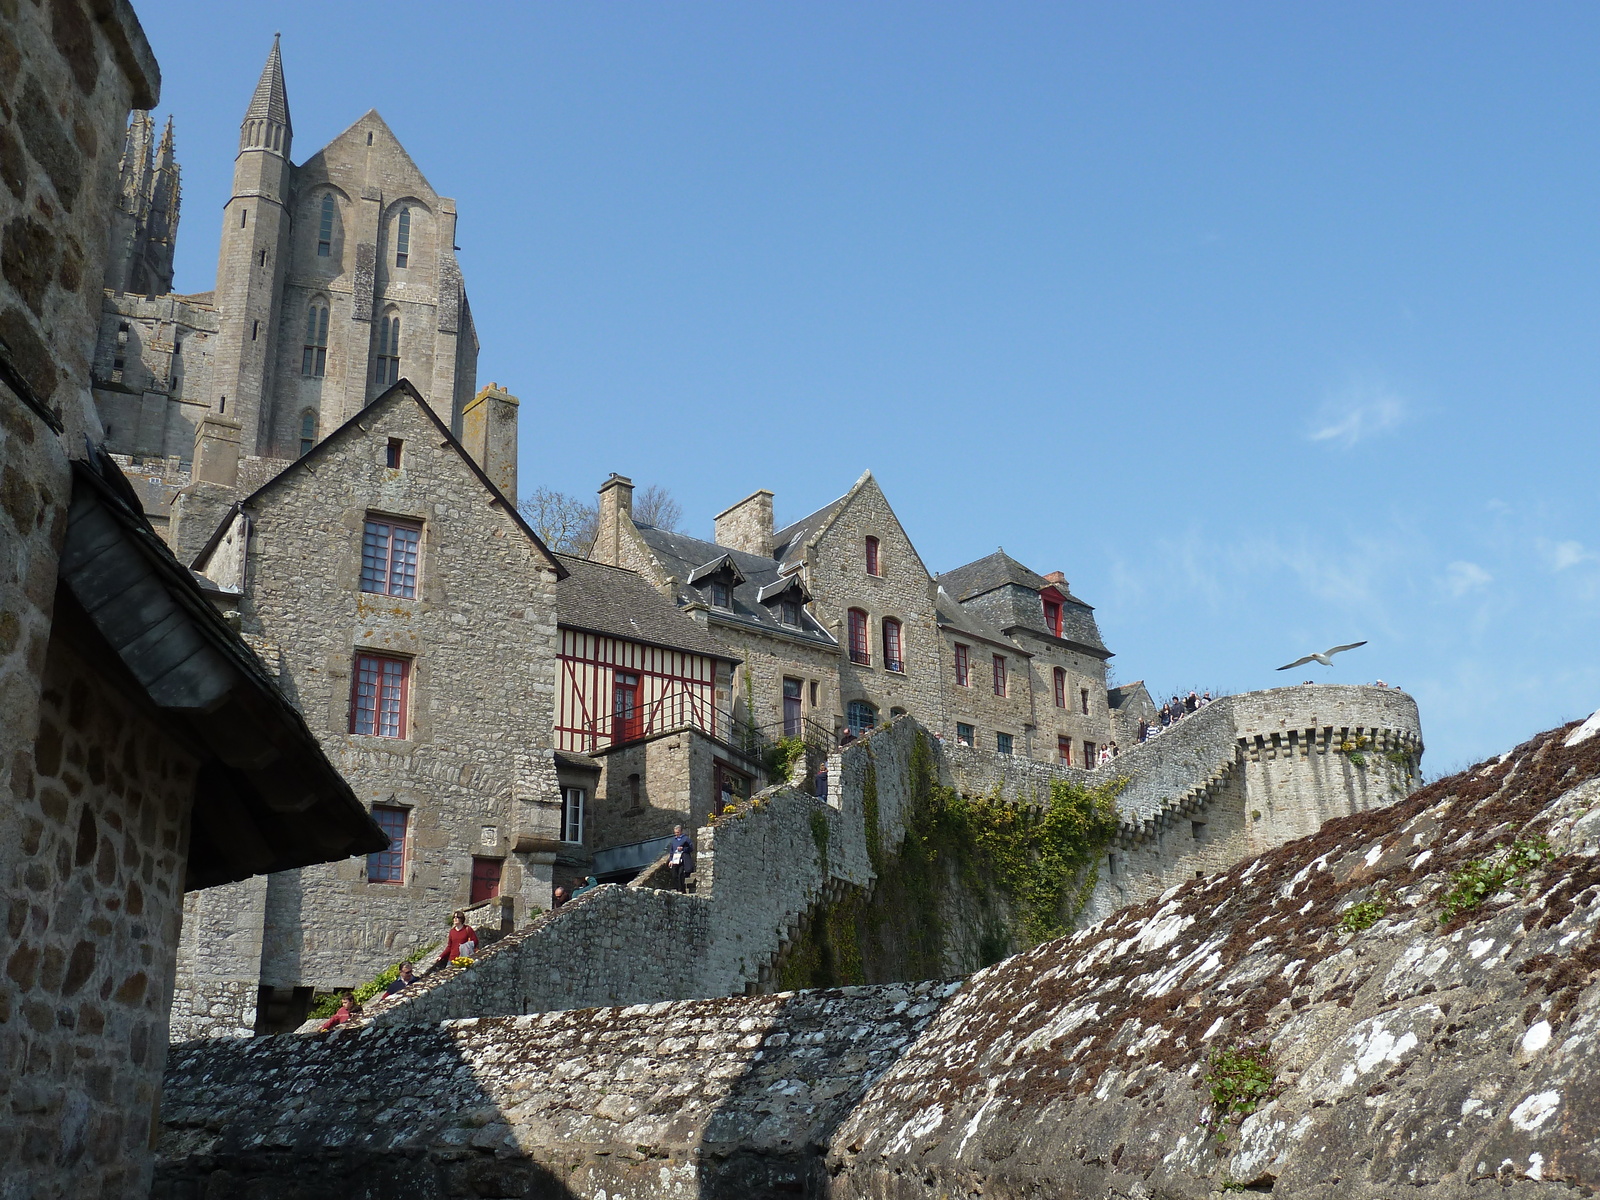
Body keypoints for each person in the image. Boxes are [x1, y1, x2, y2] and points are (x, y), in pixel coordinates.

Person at [668, 824, 694, 893]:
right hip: (675, 860)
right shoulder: (673, 840)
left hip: (683, 859)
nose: (676, 834)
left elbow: (691, 848)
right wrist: (670, 860)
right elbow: (671, 851)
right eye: (675, 832)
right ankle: (677, 889)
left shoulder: (686, 839)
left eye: (678, 832)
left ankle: (681, 890)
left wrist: (683, 849)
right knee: (674, 875)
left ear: (681, 831)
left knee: (680, 875)